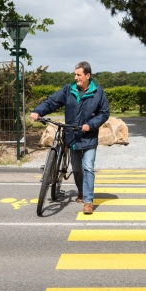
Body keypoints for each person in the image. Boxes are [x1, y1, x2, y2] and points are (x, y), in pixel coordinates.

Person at [30, 61, 109, 214]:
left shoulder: (98, 92)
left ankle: (88, 201)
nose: (76, 77)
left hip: (89, 137)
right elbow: (52, 102)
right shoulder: (69, 89)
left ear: (88, 75)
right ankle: (81, 190)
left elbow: (104, 113)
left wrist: (90, 125)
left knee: (88, 167)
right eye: (75, 74)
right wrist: (38, 111)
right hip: (72, 136)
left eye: (79, 75)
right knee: (78, 169)